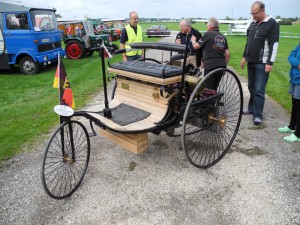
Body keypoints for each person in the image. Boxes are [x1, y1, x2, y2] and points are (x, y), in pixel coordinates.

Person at [240, 1, 280, 125]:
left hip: (262, 63)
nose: (253, 16)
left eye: (255, 13)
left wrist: (270, 63)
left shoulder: (272, 24)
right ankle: (251, 109)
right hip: (251, 61)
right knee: (251, 87)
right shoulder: (253, 23)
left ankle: (258, 115)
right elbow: (248, 42)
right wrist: (244, 56)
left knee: (259, 89)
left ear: (262, 10)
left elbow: (274, 44)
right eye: (251, 13)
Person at [191, 17, 230, 89]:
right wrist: (224, 65)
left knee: (208, 89)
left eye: (207, 25)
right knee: (214, 88)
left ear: (210, 26)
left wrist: (193, 40)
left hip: (210, 66)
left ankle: (210, 100)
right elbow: (227, 54)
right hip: (221, 67)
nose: (207, 27)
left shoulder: (208, 34)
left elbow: (196, 47)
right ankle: (214, 99)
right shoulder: (223, 37)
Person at [278, 43, 300, 142]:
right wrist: (297, 63)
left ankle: (298, 134)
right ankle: (292, 126)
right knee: (295, 103)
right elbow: (290, 56)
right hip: (295, 77)